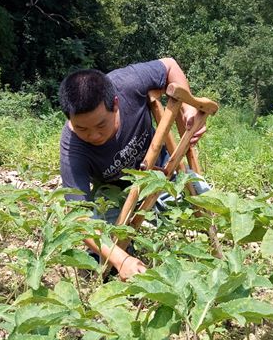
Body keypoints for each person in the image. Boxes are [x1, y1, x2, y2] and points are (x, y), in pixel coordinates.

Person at [58, 58, 207, 281]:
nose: (93, 136)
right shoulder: (72, 148)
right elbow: (79, 217)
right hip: (113, 189)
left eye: (101, 125)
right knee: (104, 259)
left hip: (160, 166)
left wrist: (188, 107)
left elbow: (169, 66)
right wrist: (121, 259)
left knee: (206, 201)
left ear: (115, 104)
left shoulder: (128, 82)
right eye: (82, 128)